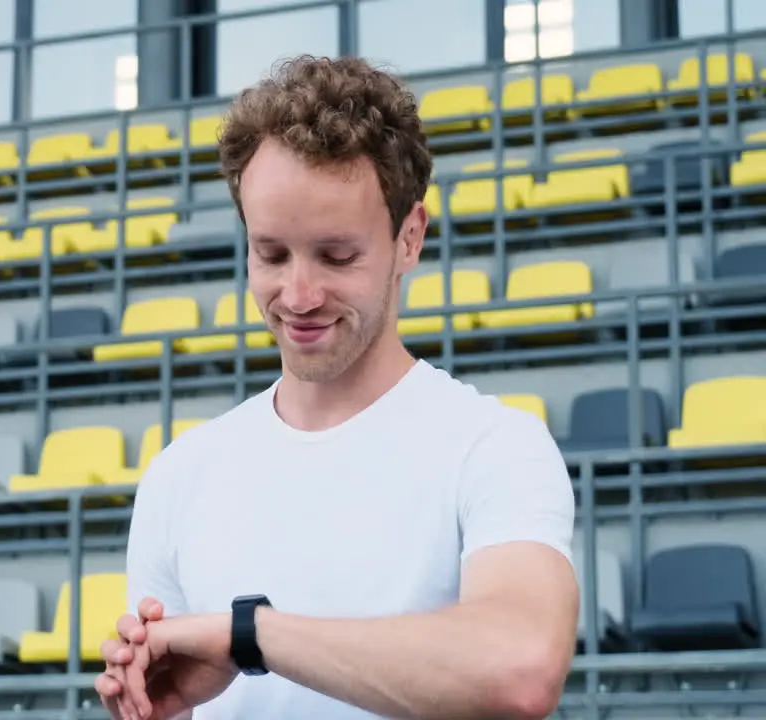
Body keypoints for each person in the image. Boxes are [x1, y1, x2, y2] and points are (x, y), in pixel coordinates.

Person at [93, 55, 580, 720]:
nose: (298, 295)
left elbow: (518, 669)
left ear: (409, 239)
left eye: (337, 256)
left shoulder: (493, 447)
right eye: (270, 254)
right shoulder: (180, 476)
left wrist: (250, 635)